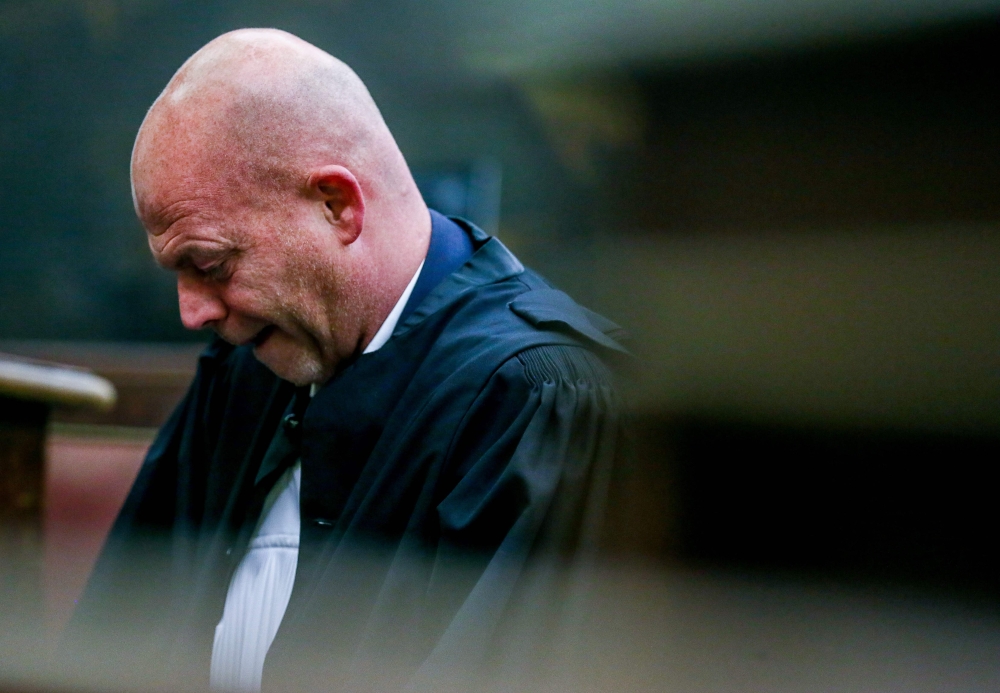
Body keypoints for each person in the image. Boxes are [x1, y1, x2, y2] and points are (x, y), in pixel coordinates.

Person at [65, 28, 628, 693]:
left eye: (209, 264)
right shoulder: (250, 362)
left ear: (337, 205)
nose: (194, 312)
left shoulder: (533, 396)